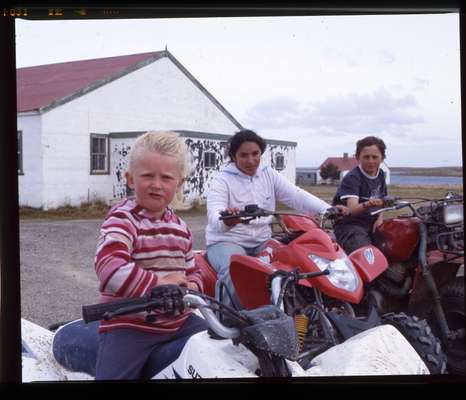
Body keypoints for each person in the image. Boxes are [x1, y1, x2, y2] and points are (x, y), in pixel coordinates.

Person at [94, 131, 207, 380]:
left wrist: (190, 286)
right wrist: (159, 285)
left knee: (221, 350)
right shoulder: (123, 219)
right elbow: (109, 266)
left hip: (178, 324)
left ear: (179, 184)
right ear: (131, 179)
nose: (156, 184)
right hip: (130, 325)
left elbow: (194, 271)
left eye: (166, 177)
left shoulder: (181, 228)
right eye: (147, 176)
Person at [205, 129, 348, 309]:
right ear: (234, 156)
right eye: (244, 155)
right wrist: (227, 220)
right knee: (233, 271)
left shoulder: (268, 174)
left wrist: (328, 209)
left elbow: (296, 196)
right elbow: (214, 216)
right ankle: (227, 322)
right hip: (226, 241)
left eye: (255, 154)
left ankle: (292, 314)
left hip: (262, 241)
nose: (251, 160)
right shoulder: (222, 180)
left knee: (294, 265)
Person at [332, 136, 388, 255]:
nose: (371, 161)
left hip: (371, 221)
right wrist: (368, 204)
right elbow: (352, 209)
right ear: (358, 157)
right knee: (367, 255)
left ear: (382, 158)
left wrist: (380, 219)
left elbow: (383, 200)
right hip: (350, 224)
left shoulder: (381, 174)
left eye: (375, 157)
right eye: (366, 157)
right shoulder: (353, 177)